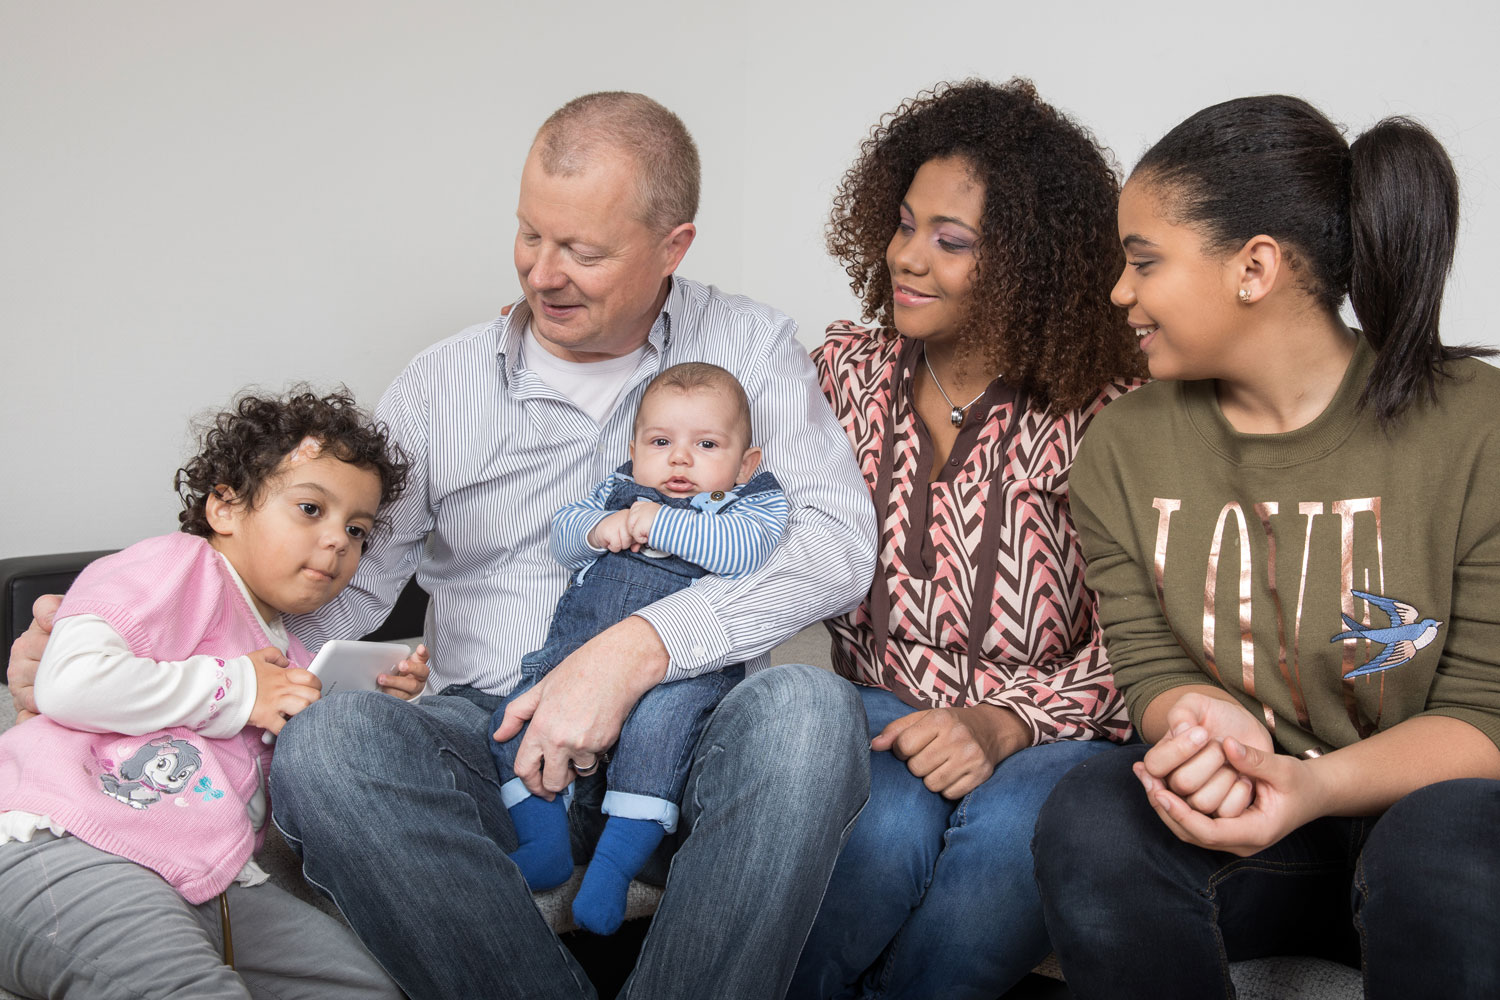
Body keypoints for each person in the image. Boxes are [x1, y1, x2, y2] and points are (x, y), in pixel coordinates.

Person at [9, 92, 876, 999]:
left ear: (673, 246)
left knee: (810, 710)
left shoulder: (750, 345)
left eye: (584, 252)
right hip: (485, 731)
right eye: (530, 235)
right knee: (333, 745)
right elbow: (334, 588)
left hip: (688, 724)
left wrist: (637, 652)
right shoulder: (439, 385)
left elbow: (835, 544)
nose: (544, 273)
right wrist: (130, 644)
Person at [1031, 95, 1500, 999]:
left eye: (1144, 262)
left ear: (1254, 267)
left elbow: (1488, 712)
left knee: (1449, 834)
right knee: (1094, 808)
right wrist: (1205, 724)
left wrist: (1313, 786)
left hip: (1431, 837)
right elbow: (1151, 661)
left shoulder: (1478, 426)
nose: (1120, 291)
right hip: (1252, 839)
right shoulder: (1123, 447)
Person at [788, 79, 1146, 1000]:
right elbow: (714, 480)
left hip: (1057, 728)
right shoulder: (842, 377)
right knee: (881, 835)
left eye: (951, 242)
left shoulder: (1112, 411)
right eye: (905, 225)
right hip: (881, 711)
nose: (908, 258)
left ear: (1029, 264)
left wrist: (1004, 723)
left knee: (1011, 844)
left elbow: (1153, 639)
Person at [0, 389, 415, 999]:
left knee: (369, 988)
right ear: (224, 507)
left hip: (202, 877)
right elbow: (69, 682)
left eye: (357, 530)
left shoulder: (295, 656)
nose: (337, 541)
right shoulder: (175, 567)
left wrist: (370, 712)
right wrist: (239, 688)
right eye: (310, 509)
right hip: (65, 839)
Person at [492, 361, 788, 937]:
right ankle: (544, 844)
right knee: (511, 721)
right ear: (633, 450)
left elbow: (742, 553)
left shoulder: (749, 503)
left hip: (682, 678)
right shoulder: (617, 490)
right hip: (573, 657)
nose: (680, 460)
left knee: (657, 741)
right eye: (660, 442)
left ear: (745, 463)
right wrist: (594, 530)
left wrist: (655, 524)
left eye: (706, 444)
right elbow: (562, 535)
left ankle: (613, 868)